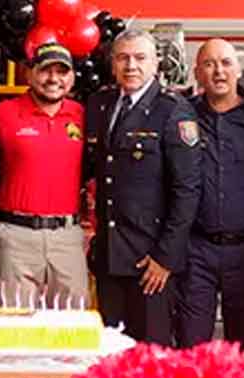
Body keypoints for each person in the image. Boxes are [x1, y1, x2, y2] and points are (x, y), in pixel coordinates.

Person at [0, 43, 87, 378]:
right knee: (14, 328)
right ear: (30, 73)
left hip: (67, 234)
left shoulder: (81, 115)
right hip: (16, 232)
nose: (54, 79)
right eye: (46, 71)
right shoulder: (5, 112)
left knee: (71, 329)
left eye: (62, 72)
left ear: (71, 77)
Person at [84, 28, 200, 344]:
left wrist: (166, 258)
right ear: (113, 64)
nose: (131, 66)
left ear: (155, 65)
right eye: (123, 58)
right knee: (111, 354)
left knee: (151, 358)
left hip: (151, 261)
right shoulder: (101, 104)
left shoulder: (172, 109)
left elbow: (187, 190)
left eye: (140, 58)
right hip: (110, 258)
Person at [175, 38, 244, 350]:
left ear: (238, 69)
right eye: (209, 64)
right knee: (190, 342)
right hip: (197, 249)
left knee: (243, 346)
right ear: (197, 73)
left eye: (225, 63)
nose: (218, 72)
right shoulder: (183, 116)